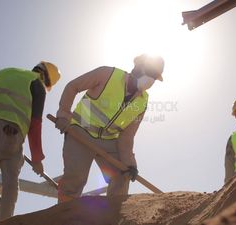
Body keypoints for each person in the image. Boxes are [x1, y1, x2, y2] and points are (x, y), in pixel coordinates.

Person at [54, 54, 164, 202]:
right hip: (81, 132)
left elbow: (127, 136)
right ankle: (64, 215)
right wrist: (63, 114)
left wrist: (130, 163)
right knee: (76, 178)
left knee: (122, 174)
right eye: (150, 74)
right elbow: (73, 86)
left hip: (108, 141)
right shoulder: (106, 74)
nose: (151, 81)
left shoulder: (143, 102)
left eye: (154, 78)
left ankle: (112, 216)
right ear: (138, 68)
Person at [0, 61, 61, 225]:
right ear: (46, 78)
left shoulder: (3, 72)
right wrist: (37, 159)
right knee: (10, 183)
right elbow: (35, 123)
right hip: (11, 131)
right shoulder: (37, 84)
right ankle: (4, 222)